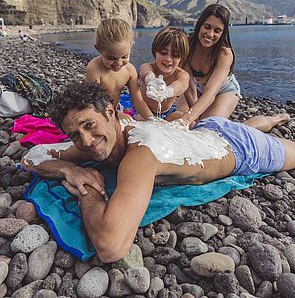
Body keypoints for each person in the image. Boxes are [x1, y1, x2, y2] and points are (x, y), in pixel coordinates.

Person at [23, 81, 293, 263]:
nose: (86, 141)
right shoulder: (98, 138)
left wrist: (87, 191)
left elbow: (110, 246)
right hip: (206, 131)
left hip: (240, 147)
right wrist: (69, 169)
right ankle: (270, 120)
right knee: (240, 125)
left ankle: (273, 120)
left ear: (110, 111)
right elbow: (32, 156)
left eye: (89, 125)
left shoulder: (141, 152)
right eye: (75, 135)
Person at [178, 4, 240, 126]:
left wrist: (189, 118)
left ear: (223, 33)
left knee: (207, 125)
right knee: (184, 117)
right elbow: (190, 87)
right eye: (207, 27)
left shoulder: (225, 54)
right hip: (197, 88)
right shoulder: (187, 45)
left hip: (224, 90)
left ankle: (276, 119)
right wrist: (191, 117)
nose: (210, 34)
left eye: (217, 31)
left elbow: (211, 92)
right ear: (199, 25)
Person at [86, 18, 154, 120]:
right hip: (96, 112)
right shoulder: (94, 68)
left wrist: (151, 117)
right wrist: (116, 115)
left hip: (114, 110)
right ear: (98, 49)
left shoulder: (129, 70)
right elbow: (92, 102)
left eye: (124, 56)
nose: (118, 63)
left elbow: (138, 101)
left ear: (131, 47)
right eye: (111, 58)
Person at [139, 27, 190, 120]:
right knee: (140, 118)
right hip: (144, 110)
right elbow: (146, 73)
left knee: (181, 117)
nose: (168, 59)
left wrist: (167, 91)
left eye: (175, 55)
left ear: (181, 58)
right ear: (155, 52)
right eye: (163, 53)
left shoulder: (182, 74)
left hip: (168, 112)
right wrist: (151, 81)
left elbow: (181, 85)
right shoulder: (148, 66)